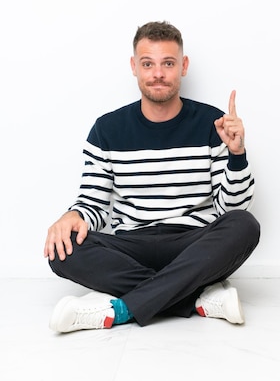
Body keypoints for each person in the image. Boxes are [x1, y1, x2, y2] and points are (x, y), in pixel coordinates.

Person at [43, 21, 260, 333]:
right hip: (133, 245)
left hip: (191, 245)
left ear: (183, 66)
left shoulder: (213, 124)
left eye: (168, 63)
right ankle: (196, 297)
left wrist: (237, 154)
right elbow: (93, 203)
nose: (158, 73)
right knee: (61, 249)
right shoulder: (107, 130)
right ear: (135, 67)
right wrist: (73, 215)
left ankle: (121, 309)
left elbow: (231, 210)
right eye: (148, 64)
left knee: (244, 225)